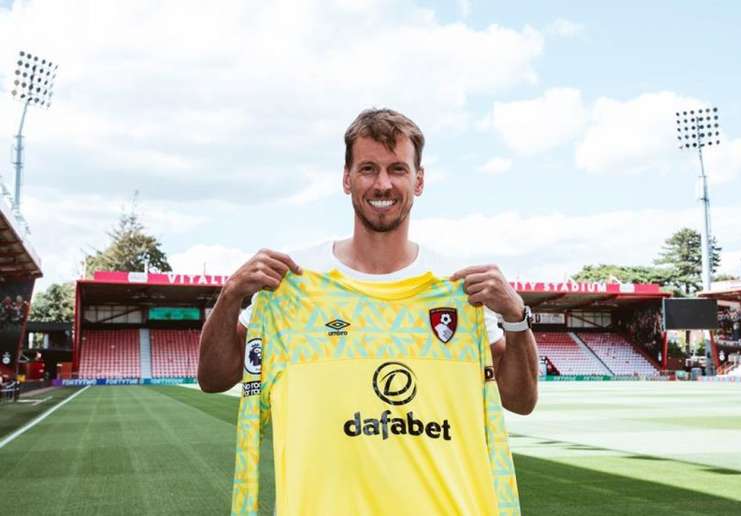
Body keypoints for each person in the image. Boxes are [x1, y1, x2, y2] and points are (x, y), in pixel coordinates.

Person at [199, 108, 538, 513]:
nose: (383, 183)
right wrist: (230, 297)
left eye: (397, 169)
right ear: (346, 179)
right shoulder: (294, 285)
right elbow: (214, 378)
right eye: (368, 169)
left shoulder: (458, 289)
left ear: (419, 179)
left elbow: (520, 400)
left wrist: (516, 318)